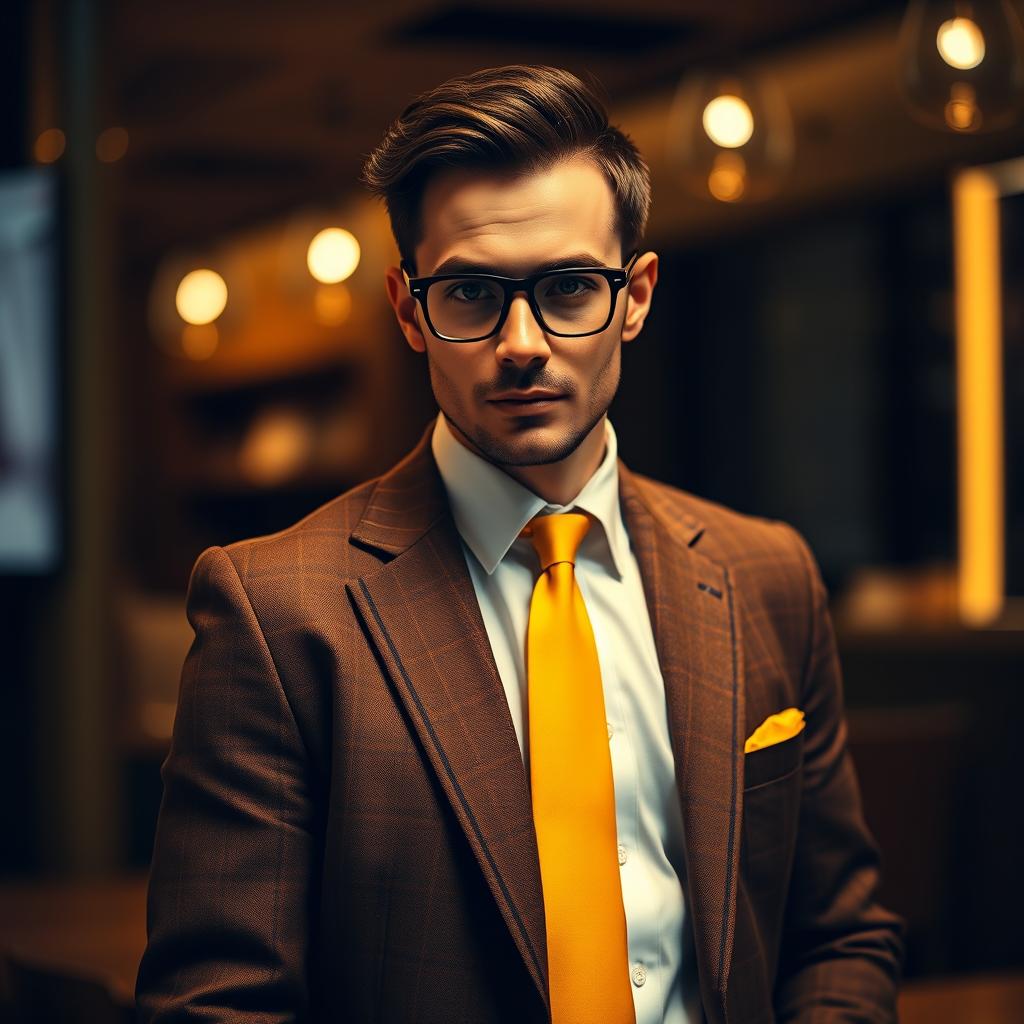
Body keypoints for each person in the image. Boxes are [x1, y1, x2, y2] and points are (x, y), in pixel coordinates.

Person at [135, 65, 905, 1023]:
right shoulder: (277, 611)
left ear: (636, 295)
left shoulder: (766, 575)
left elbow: (837, 934)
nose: (523, 341)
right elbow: (218, 1006)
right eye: (471, 295)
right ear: (410, 310)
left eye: (571, 287)